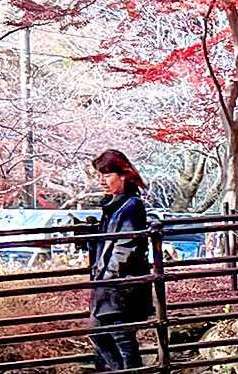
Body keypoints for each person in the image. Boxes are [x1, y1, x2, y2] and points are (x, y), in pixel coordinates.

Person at [85, 150, 153, 372]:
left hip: (122, 286)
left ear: (123, 175)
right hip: (112, 285)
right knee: (102, 333)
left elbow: (126, 246)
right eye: (100, 175)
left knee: (121, 338)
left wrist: (107, 276)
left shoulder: (131, 205)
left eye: (106, 175)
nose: (101, 181)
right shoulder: (115, 205)